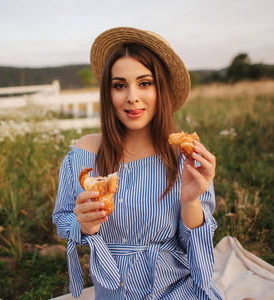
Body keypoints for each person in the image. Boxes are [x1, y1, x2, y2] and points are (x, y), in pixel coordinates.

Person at [52, 27, 222, 300]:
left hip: (177, 287)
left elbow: (196, 247)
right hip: (114, 289)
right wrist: (84, 225)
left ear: (160, 89)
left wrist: (191, 201)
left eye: (145, 83)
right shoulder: (84, 154)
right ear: (108, 93)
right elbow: (62, 219)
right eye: (120, 85)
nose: (132, 97)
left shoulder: (184, 157)